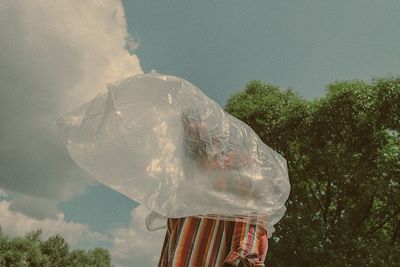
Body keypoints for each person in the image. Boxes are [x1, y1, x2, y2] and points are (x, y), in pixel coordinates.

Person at [156, 111, 269, 267]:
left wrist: (241, 259)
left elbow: (250, 220)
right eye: (187, 129)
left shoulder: (236, 172)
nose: (191, 128)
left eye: (197, 121)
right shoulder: (184, 188)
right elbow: (171, 244)